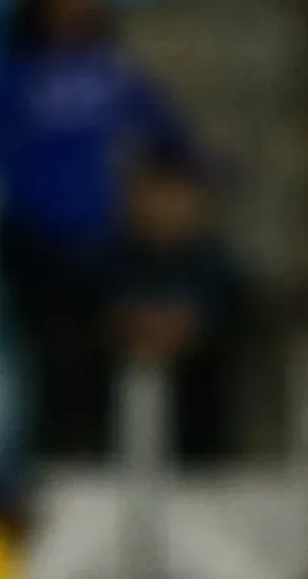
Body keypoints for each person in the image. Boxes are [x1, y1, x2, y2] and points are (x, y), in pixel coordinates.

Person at [0, 0, 195, 456]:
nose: (79, 9)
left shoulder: (112, 74)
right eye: (68, 0)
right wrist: (18, 158)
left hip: (97, 237)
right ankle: (42, 458)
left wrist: (191, 170)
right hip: (29, 237)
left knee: (100, 350)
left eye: (87, 0)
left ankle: (96, 453)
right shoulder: (14, 73)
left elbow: (171, 136)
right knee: (43, 356)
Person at [102, 149, 248, 462]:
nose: (167, 207)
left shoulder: (223, 275)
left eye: (180, 195)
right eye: (158, 193)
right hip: (102, 454)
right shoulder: (100, 268)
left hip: (204, 456)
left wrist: (194, 333)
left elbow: (240, 348)